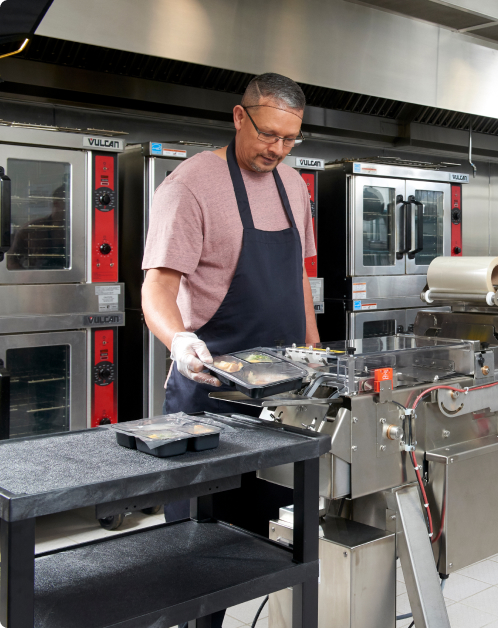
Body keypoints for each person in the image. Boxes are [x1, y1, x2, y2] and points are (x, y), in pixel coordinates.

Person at [141, 72, 318, 626]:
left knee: (280, 537)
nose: (278, 150)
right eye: (268, 135)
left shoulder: (294, 185)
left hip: (282, 393)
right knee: (199, 550)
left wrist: (316, 352)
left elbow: (299, 281)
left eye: (291, 140)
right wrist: (179, 341)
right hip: (212, 391)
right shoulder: (190, 185)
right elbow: (157, 289)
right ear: (239, 117)